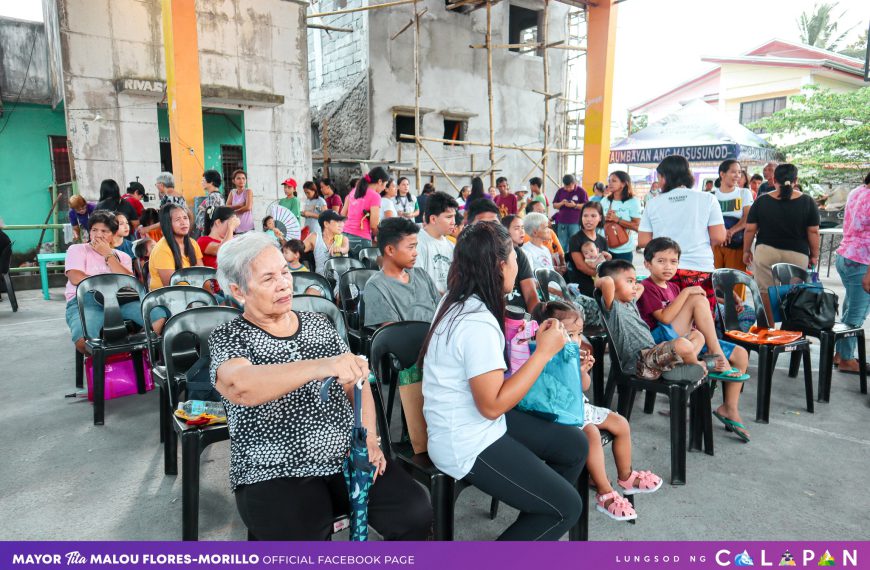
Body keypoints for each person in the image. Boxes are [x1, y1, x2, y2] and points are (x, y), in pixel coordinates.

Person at [209, 233, 432, 540]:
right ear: (238, 291)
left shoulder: (317, 323)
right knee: (302, 536)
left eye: (285, 272)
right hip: (275, 467)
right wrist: (320, 366)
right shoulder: (230, 336)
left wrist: (369, 438)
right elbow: (239, 386)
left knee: (414, 510)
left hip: (345, 453)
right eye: (269, 278)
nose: (284, 283)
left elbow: (356, 381)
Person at [420, 221, 586, 540]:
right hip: (466, 440)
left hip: (476, 423)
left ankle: (534, 527)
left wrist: (538, 333)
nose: (516, 262)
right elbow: (492, 405)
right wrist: (543, 353)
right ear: (500, 265)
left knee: (574, 445)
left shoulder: (460, 299)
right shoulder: (475, 320)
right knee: (568, 507)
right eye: (513, 256)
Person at [532, 301, 661, 521]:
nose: (575, 341)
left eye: (578, 334)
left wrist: (582, 371)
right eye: (569, 334)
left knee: (620, 423)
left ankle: (626, 477)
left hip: (579, 406)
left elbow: (583, 387)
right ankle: (604, 492)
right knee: (591, 432)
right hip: (558, 414)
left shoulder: (570, 354)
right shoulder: (541, 358)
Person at [637, 238, 750, 441]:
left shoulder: (672, 287)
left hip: (687, 338)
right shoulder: (647, 287)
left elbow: (688, 308)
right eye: (661, 261)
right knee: (698, 298)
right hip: (662, 343)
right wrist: (688, 292)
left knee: (741, 355)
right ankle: (715, 356)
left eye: (673, 261)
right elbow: (665, 317)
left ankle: (729, 408)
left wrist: (728, 300)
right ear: (647, 264)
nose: (668, 266)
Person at [638, 155, 725, 310]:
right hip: (700, 268)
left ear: (664, 177)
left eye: (659, 177)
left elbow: (643, 241)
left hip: (664, 270)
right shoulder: (707, 199)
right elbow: (719, 237)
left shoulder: (653, 203)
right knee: (702, 321)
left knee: (672, 320)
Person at [596, 259, 706, 381]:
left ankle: (676, 368)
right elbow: (607, 281)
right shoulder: (612, 308)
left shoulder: (630, 303)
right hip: (640, 363)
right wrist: (598, 281)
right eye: (629, 281)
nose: (634, 285)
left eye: (634, 280)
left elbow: (641, 287)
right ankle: (695, 366)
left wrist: (632, 283)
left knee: (697, 336)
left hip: (654, 356)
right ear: (613, 286)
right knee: (683, 345)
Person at [743, 164, 820, 322]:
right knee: (795, 294)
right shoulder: (808, 201)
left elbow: (750, 229)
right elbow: (813, 232)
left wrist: (746, 251)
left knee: (765, 292)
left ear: (774, 180)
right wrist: (814, 255)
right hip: (797, 255)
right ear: (795, 180)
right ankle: (792, 334)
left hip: (766, 252)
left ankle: (769, 332)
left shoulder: (762, 200)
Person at [64, 211, 141, 355]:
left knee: (158, 317)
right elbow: (75, 277)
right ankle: (103, 368)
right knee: (84, 342)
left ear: (113, 235)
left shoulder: (122, 256)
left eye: (104, 231)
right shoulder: (77, 249)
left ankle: (135, 357)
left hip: (120, 301)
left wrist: (108, 255)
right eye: (94, 230)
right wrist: (107, 287)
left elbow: (129, 283)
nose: (98, 235)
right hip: (84, 300)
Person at [363, 217, 439, 327]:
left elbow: (441, 312)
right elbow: (393, 334)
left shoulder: (422, 275)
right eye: (411, 247)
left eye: (415, 247)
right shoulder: (376, 286)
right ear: (390, 250)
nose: (415, 253)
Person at [834, 172, 870, 375]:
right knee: (856, 314)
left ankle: (840, 354)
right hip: (862, 262)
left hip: (846, 256)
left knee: (850, 308)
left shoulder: (858, 191)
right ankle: (846, 359)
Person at [712, 160, 753, 285]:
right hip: (715, 245)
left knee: (735, 283)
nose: (737, 176)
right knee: (715, 283)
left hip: (736, 244)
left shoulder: (744, 193)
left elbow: (747, 217)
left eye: (739, 172)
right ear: (722, 174)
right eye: (733, 172)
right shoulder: (712, 195)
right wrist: (722, 234)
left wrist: (730, 231)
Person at [149, 204, 204, 289]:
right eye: (178, 219)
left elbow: (203, 275)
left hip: (194, 294)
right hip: (168, 298)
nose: (183, 222)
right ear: (168, 224)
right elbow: (171, 288)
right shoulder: (162, 249)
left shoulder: (193, 243)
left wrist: (210, 296)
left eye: (185, 218)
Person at [494, 211, 540, 313]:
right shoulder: (490, 254)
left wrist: (536, 320)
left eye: (522, 228)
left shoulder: (520, 254)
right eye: (516, 228)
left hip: (521, 314)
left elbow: (530, 295)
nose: (522, 232)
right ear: (504, 231)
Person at [415, 191, 458, 296]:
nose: (453, 222)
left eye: (454, 216)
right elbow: (417, 283)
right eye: (449, 217)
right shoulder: (417, 243)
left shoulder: (451, 246)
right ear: (433, 219)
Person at [341, 167, 387, 256]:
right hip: (361, 238)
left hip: (345, 236)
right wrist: (381, 236)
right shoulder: (375, 196)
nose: (384, 188)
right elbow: (374, 225)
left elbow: (343, 214)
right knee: (363, 269)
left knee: (350, 268)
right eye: (385, 184)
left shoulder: (354, 191)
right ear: (380, 181)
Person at [567, 202, 609, 296]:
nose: (588, 220)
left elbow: (604, 263)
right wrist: (601, 277)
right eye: (585, 216)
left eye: (593, 216)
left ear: (600, 218)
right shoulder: (575, 239)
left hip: (600, 284)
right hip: (581, 287)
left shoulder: (603, 240)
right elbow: (581, 266)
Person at [600, 171, 642, 262]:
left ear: (623, 184)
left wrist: (617, 219)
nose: (610, 183)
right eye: (609, 180)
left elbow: (637, 227)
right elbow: (598, 222)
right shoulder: (605, 200)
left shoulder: (633, 201)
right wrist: (604, 219)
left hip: (624, 250)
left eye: (614, 181)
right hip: (605, 248)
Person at [303, 210, 350, 276]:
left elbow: (345, 248)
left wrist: (340, 249)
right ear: (326, 224)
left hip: (340, 282)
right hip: (321, 282)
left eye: (341, 221)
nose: (341, 224)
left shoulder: (343, 239)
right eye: (337, 221)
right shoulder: (314, 237)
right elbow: (298, 250)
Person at [552, 174, 588, 249]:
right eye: (566, 187)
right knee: (561, 243)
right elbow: (554, 205)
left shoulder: (581, 191)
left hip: (575, 223)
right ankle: (563, 259)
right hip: (562, 222)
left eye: (569, 187)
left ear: (574, 183)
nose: (567, 189)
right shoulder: (560, 191)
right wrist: (561, 203)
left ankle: (573, 259)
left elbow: (586, 206)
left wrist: (575, 205)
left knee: (574, 242)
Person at [196, 170, 225, 237]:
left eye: (204, 180)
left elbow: (210, 217)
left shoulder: (212, 197)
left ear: (211, 182)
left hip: (210, 232)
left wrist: (203, 209)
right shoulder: (218, 195)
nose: (202, 182)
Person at [226, 170, 254, 234]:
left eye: (243, 178)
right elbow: (227, 207)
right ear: (233, 181)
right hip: (235, 227)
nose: (241, 180)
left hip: (247, 227)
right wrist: (239, 205)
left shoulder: (248, 191)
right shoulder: (232, 192)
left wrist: (233, 212)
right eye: (238, 178)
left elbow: (248, 207)